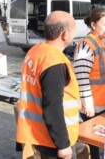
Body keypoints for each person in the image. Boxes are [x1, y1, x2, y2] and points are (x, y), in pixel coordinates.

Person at [16, 11, 80, 159]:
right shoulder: (54, 62)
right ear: (64, 35)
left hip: (41, 132)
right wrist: (63, 144)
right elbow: (53, 106)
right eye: (74, 30)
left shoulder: (36, 51)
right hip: (53, 140)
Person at [73, 8, 105, 159]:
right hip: (95, 106)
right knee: (93, 145)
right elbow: (81, 76)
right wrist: (87, 103)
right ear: (93, 25)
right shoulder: (86, 45)